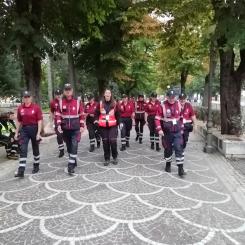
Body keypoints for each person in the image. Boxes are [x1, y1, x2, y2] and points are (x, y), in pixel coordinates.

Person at [55, 83, 85, 174]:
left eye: (69, 90)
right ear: (64, 91)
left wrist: (82, 126)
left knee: (74, 145)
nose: (68, 91)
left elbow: (81, 115)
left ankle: (70, 166)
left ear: (72, 91)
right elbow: (58, 115)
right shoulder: (60, 102)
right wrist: (59, 124)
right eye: (66, 90)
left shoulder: (77, 102)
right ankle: (73, 159)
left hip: (75, 128)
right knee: (69, 147)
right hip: (65, 129)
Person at [155, 90, 185, 177]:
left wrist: (182, 128)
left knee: (178, 147)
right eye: (170, 97)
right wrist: (159, 129)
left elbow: (182, 117)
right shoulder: (162, 106)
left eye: (173, 97)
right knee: (168, 149)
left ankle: (180, 168)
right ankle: (168, 164)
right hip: (167, 132)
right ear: (167, 97)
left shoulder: (179, 104)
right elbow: (157, 118)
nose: (172, 99)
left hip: (177, 131)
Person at [14, 91, 43, 178]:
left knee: (35, 148)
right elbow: (19, 121)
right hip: (24, 130)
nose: (26, 98)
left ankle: (36, 165)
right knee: (23, 149)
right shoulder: (20, 108)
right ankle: (21, 171)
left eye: (28, 97)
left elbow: (39, 121)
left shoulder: (36, 108)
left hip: (34, 129)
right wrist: (16, 132)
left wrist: (38, 133)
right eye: (25, 97)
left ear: (31, 98)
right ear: (23, 98)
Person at [95, 89, 120, 166]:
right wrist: (96, 120)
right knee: (105, 142)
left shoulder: (115, 103)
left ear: (111, 94)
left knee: (112, 141)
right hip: (103, 126)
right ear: (104, 95)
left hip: (113, 126)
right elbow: (96, 113)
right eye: (106, 93)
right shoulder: (100, 104)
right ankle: (107, 158)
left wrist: (119, 124)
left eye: (109, 93)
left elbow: (118, 115)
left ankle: (115, 156)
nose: (107, 94)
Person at [50, 89, 65, 158]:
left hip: (65, 121)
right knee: (59, 136)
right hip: (57, 121)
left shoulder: (65, 101)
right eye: (57, 94)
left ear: (62, 94)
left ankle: (69, 145)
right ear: (55, 95)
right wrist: (52, 122)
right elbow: (52, 112)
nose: (58, 96)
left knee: (66, 135)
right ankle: (61, 150)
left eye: (59, 94)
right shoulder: (53, 102)